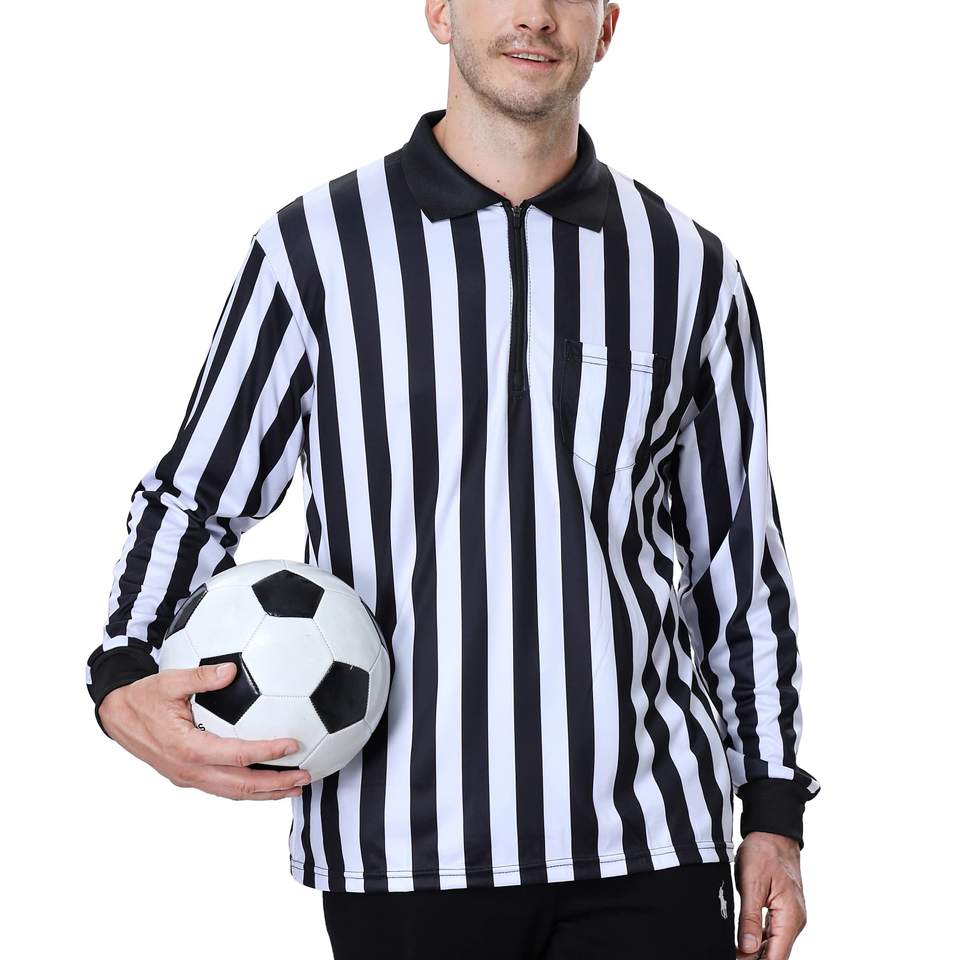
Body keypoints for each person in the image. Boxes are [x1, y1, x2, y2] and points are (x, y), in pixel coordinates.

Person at [86, 1, 821, 957]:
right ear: (439, 10)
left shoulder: (687, 269)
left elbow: (739, 567)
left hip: (648, 844)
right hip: (402, 854)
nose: (535, 15)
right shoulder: (314, 251)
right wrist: (122, 671)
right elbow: (197, 496)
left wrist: (772, 807)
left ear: (606, 26)